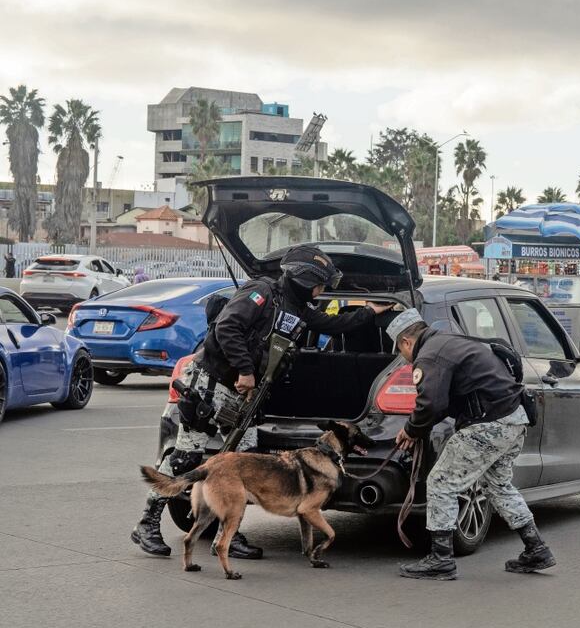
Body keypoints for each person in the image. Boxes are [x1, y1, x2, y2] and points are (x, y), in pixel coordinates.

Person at [130, 244, 392, 558]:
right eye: (320, 282)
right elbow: (228, 327)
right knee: (186, 458)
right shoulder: (260, 293)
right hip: (213, 388)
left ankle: (230, 534)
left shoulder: (296, 307)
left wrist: (368, 312)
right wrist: (244, 369)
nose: (322, 289)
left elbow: (329, 324)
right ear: (305, 279)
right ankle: (147, 523)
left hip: (245, 399)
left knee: (246, 462)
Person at [388, 309, 554, 581]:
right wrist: (417, 428)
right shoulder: (449, 341)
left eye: (400, 351)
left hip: (488, 424)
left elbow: (431, 404)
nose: (403, 358)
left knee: (441, 482)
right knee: (498, 485)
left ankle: (441, 559)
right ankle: (536, 548)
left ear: (406, 341)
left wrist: (410, 430)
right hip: (514, 419)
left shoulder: (429, 354)